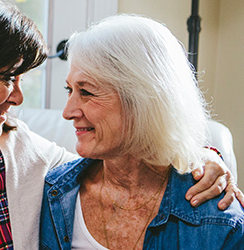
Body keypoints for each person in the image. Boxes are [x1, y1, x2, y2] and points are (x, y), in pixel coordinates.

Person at [0, 1, 240, 249]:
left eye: (21, 80)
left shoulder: (20, 151)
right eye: (6, 77)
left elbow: (123, 154)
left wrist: (202, 156)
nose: (17, 98)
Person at [39, 14, 244, 250]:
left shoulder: (219, 219)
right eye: (69, 90)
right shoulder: (54, 192)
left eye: (86, 92)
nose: (67, 111)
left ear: (142, 101)